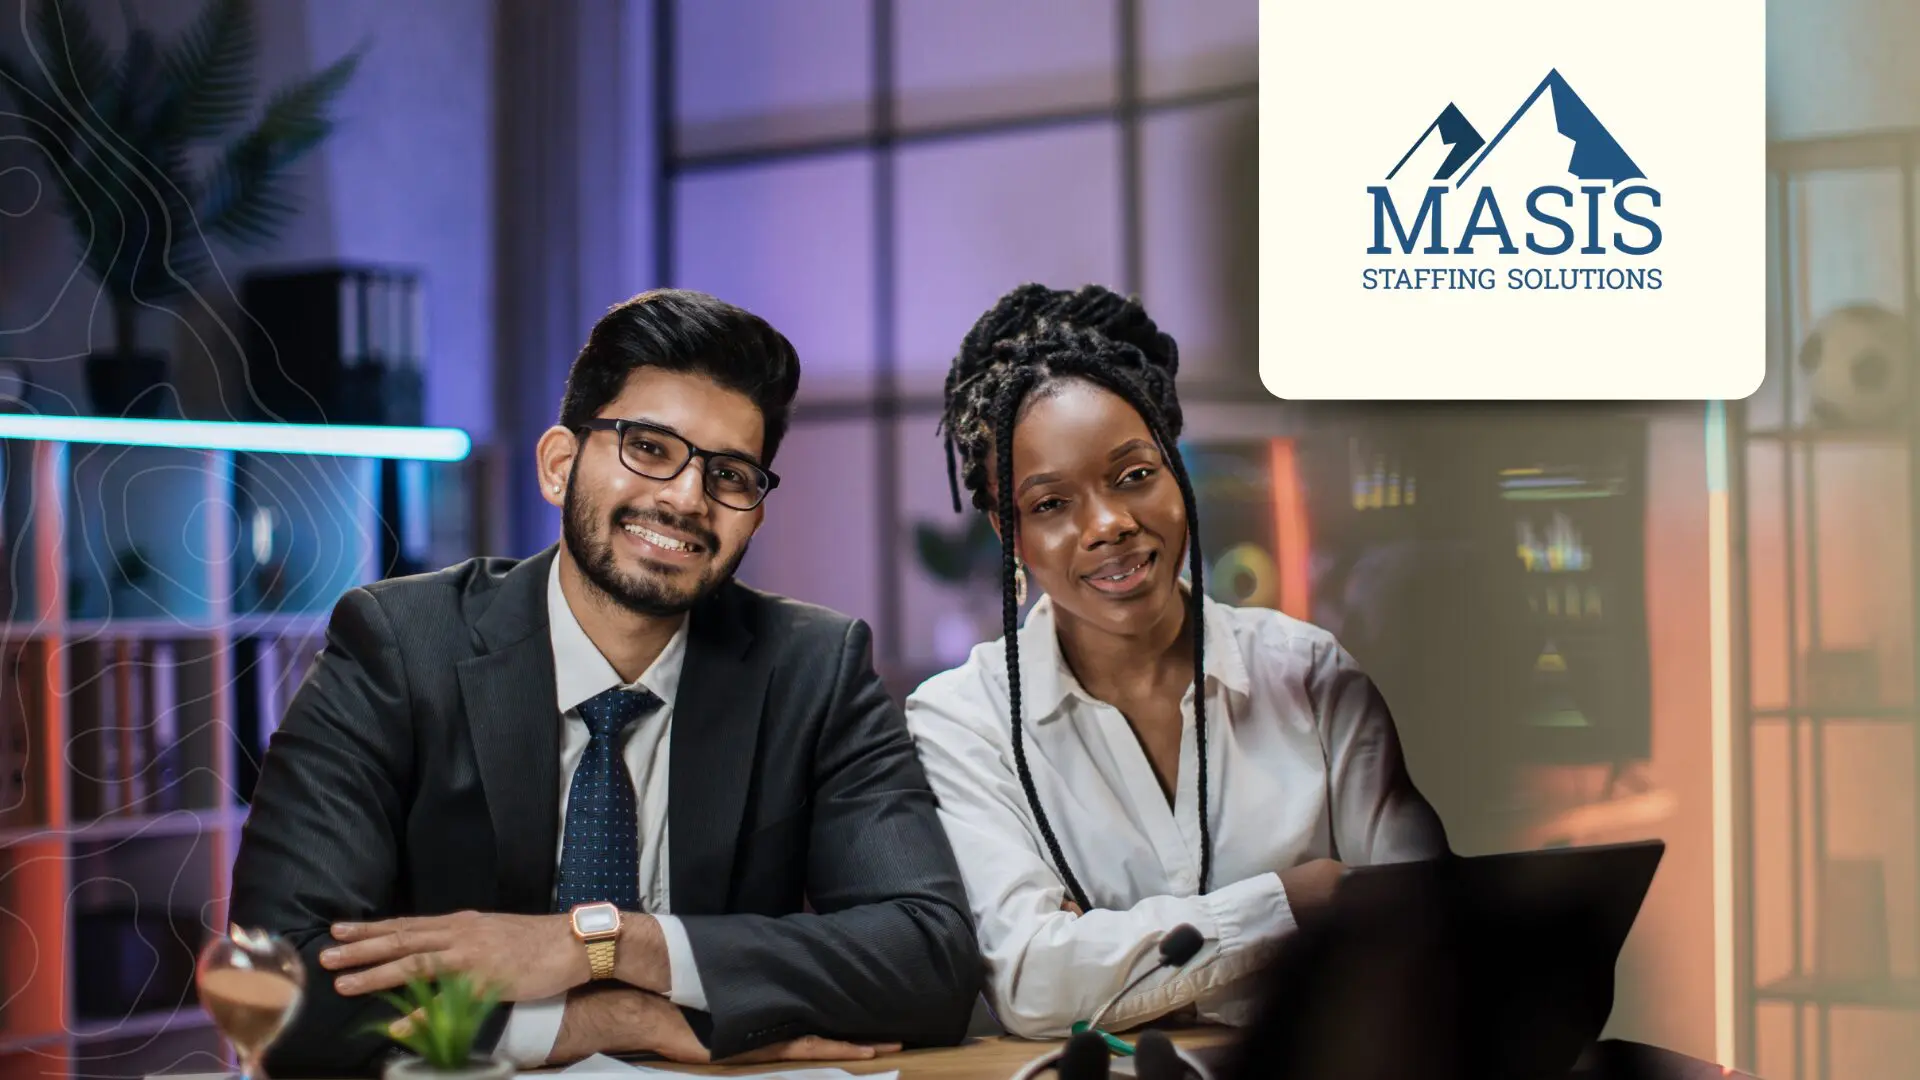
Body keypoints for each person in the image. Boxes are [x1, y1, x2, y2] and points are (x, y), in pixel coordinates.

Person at [230, 289, 981, 1077]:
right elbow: (272, 989)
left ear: (753, 516)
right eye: (649, 448)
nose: (686, 497)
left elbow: (928, 959)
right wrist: (607, 1016)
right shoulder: (399, 647)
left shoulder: (812, 669)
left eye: (729, 474)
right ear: (560, 466)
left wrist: (609, 944)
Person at [903, 283, 1448, 1040]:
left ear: (1176, 472)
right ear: (1009, 531)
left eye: (1134, 476)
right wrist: (1298, 900)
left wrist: (1111, 956)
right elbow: (1031, 982)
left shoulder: (1314, 675)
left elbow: (1426, 936)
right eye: (1052, 504)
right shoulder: (966, 719)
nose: (1109, 525)